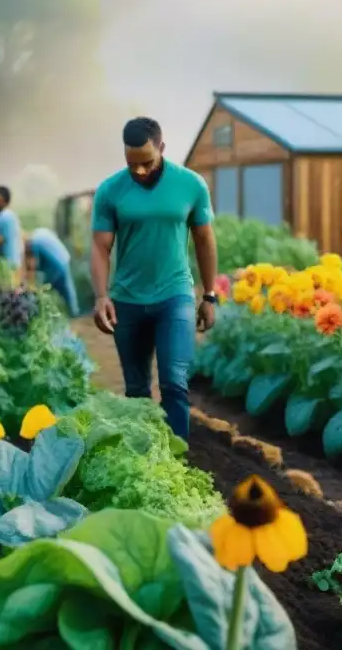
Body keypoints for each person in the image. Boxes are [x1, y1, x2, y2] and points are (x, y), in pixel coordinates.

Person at [90, 116, 218, 440]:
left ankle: (178, 463)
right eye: (132, 164)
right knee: (136, 390)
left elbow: (205, 240)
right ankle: (145, 465)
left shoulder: (190, 184)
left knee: (174, 381)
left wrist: (210, 295)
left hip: (174, 296)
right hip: (127, 301)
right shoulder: (110, 190)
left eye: (147, 162)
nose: (140, 171)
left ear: (162, 147)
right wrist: (101, 296)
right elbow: (100, 246)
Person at [27, 227, 79, 317]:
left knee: (46, 289)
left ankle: (47, 313)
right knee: (67, 289)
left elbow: (34, 264)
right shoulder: (39, 232)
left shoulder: (34, 243)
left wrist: (30, 282)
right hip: (64, 257)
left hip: (56, 263)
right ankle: (74, 312)